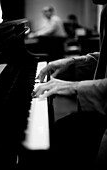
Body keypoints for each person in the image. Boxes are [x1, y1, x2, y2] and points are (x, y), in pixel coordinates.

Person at [34, 0, 107, 169]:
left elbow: (50, 30)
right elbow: (104, 57)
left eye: (46, 11)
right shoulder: (105, 9)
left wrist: (71, 86)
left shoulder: (56, 20)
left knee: (56, 135)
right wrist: (72, 61)